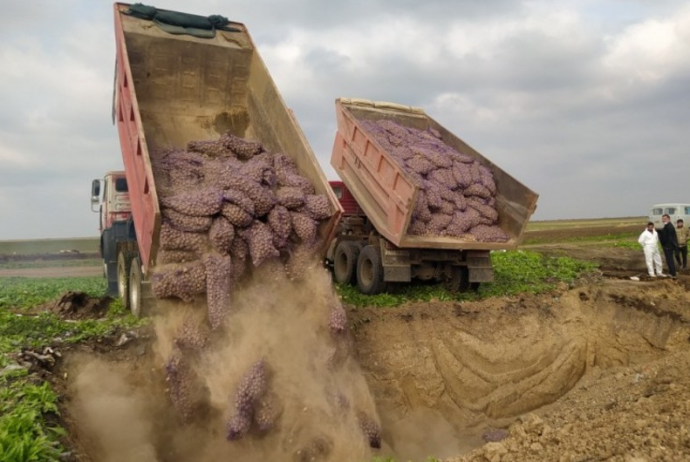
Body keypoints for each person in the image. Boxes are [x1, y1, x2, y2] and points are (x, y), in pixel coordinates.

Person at [658, 214, 678, 278]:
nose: (664, 220)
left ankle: (673, 274)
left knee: (670, 260)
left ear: (669, 219)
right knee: (669, 260)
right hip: (668, 246)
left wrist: (668, 246)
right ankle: (671, 272)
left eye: (665, 219)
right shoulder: (667, 226)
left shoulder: (669, 226)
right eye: (663, 219)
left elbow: (670, 238)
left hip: (668, 247)